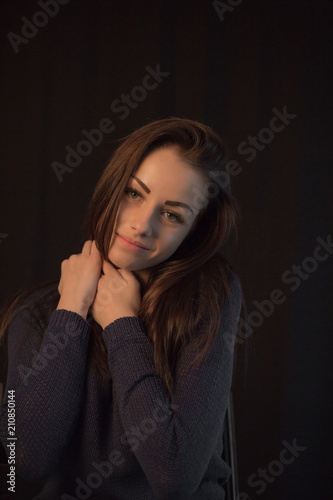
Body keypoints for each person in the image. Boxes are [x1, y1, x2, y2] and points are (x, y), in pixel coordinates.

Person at [0, 117, 242, 499]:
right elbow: (22, 460)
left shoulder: (208, 296)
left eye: (172, 214)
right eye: (134, 193)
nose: (142, 225)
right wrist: (72, 309)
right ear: (112, 187)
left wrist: (121, 323)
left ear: (193, 231)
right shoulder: (38, 311)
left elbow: (174, 474)